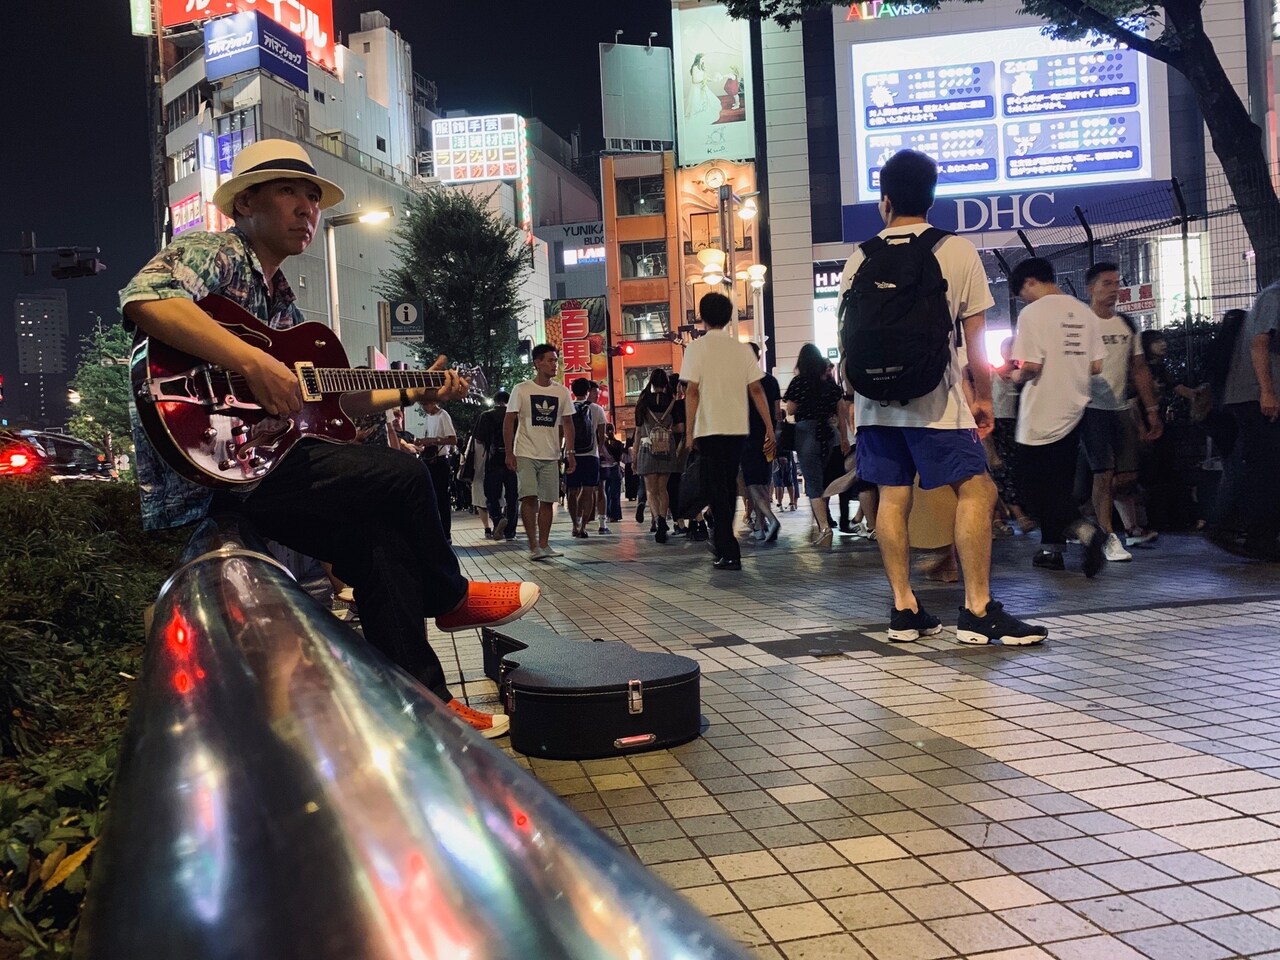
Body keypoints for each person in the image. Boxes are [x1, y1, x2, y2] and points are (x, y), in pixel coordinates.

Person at [119, 139, 537, 738]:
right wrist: (252, 363)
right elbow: (146, 298)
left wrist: (413, 391)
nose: (306, 209)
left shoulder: (282, 303)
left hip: (260, 468)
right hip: (219, 464)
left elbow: (334, 399)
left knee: (380, 542)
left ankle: (423, 706)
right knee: (403, 473)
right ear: (244, 204)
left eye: (313, 198)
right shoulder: (214, 253)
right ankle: (449, 595)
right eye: (289, 191)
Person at [839, 148, 1046, 646]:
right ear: (932, 198)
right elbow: (975, 343)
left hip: (874, 404)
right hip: (936, 401)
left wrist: (854, 403)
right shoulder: (954, 251)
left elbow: (847, 340)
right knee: (978, 490)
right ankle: (976, 609)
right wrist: (984, 399)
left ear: (884, 201)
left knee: (893, 496)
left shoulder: (860, 256)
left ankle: (904, 608)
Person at [1008, 257, 1108, 577]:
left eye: (1021, 292)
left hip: (1041, 413)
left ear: (1029, 282)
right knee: (1060, 486)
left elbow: (1032, 366)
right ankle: (1052, 550)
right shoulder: (1084, 312)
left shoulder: (1032, 314)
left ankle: (1088, 533)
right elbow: (1096, 366)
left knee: (1033, 490)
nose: (1023, 299)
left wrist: (1012, 377)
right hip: (1075, 409)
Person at [680, 293, 777, 570]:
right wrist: (769, 427)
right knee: (728, 486)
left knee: (717, 489)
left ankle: (727, 549)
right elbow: (756, 389)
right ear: (728, 316)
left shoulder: (696, 349)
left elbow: (692, 391)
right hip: (737, 429)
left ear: (702, 316)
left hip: (709, 429)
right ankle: (726, 547)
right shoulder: (741, 349)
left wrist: (689, 432)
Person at [1080, 262, 1163, 561]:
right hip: (1089, 408)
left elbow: (1138, 368)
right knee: (1104, 472)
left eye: (1116, 283)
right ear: (1090, 288)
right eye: (1106, 284)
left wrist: (1151, 409)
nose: (1114, 290)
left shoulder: (1127, 324)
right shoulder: (1080, 322)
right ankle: (1106, 535)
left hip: (1121, 407)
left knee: (1125, 476)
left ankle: (1089, 522)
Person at [1216, 281, 1280, 560]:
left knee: (1257, 465)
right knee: (1266, 468)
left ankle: (1235, 527)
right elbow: (1259, 343)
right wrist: (1266, 391)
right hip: (1255, 396)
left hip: (1260, 395)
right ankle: (1256, 536)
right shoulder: (1274, 296)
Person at [505, 344, 576, 560]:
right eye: (551, 360)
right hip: (525, 451)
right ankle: (533, 545)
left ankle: (544, 545)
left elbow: (568, 422)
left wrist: (570, 452)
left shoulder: (561, 391)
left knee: (548, 500)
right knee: (529, 497)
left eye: (556, 360)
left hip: (551, 454)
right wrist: (509, 452)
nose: (555, 365)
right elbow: (509, 421)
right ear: (538, 363)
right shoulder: (522, 389)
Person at [784, 344, 844, 546]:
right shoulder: (829, 385)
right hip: (828, 433)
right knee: (823, 479)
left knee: (812, 482)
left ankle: (824, 529)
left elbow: (791, 410)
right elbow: (840, 410)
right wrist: (843, 437)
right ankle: (823, 524)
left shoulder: (799, 383)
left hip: (806, 433)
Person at [632, 369, 683, 543]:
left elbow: (638, 432)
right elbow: (681, 428)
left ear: (651, 382)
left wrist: (634, 457)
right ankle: (663, 517)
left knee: (651, 490)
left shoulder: (644, 401)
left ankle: (659, 520)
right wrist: (668, 429)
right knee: (663, 489)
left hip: (647, 447)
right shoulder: (672, 402)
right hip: (667, 448)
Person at [741, 342, 781, 543]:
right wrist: (772, 432)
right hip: (768, 437)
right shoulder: (771, 381)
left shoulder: (741, 382)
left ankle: (770, 520)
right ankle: (760, 524)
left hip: (747, 438)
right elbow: (776, 413)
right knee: (764, 482)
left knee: (753, 485)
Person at [566, 378, 607, 538]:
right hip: (591, 455)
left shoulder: (567, 408)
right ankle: (583, 526)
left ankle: (574, 525)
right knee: (589, 490)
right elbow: (601, 437)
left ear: (572, 391)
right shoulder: (597, 409)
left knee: (572, 490)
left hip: (572, 454)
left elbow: (562, 431)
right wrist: (598, 447)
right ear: (588, 391)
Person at [475, 390, 517, 542]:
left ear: (494, 401)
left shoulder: (486, 416)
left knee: (492, 495)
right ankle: (510, 532)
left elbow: (479, 440)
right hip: (513, 459)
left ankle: (498, 520)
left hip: (493, 460)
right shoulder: (515, 415)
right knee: (512, 496)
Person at [419, 398, 457, 541]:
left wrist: (434, 440)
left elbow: (453, 439)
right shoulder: (428, 417)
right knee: (431, 497)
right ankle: (436, 532)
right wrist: (423, 441)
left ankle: (446, 534)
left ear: (433, 402)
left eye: (425, 403)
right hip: (429, 459)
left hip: (440, 460)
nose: (424, 407)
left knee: (442, 497)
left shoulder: (443, 415)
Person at [598, 421, 624, 533]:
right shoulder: (617, 443)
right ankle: (614, 515)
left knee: (606, 493)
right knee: (614, 494)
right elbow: (620, 457)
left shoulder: (603, 444)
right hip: (614, 468)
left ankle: (608, 514)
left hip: (604, 469)